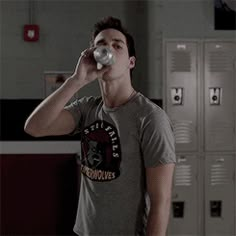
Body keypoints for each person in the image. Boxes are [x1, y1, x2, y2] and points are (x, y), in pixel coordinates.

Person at [24, 16, 176, 236]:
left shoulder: (150, 118)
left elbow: (161, 201)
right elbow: (35, 127)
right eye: (101, 45)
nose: (109, 50)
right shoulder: (87, 109)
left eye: (117, 45)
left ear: (131, 62)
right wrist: (77, 80)